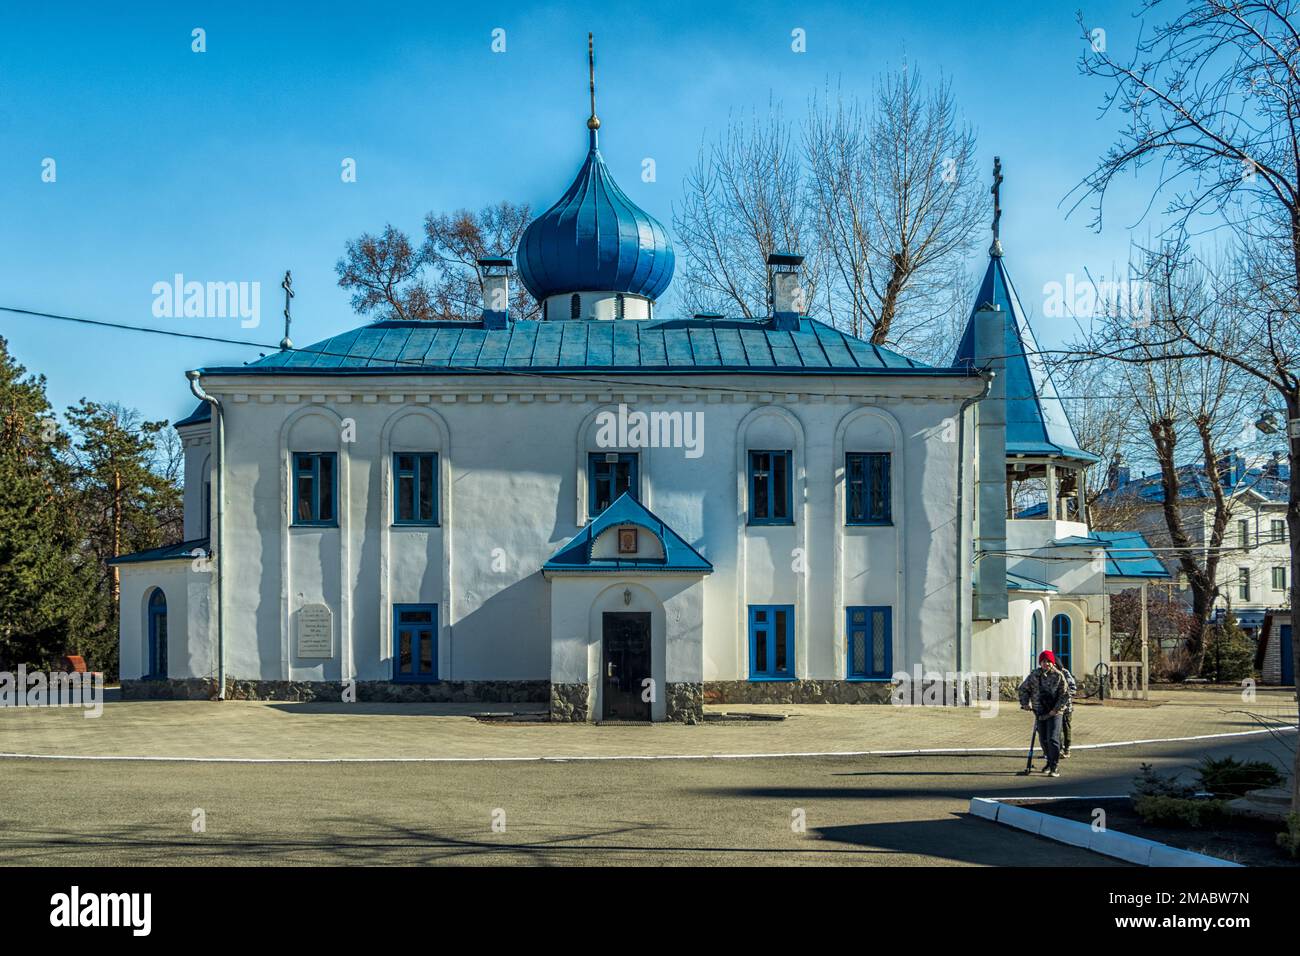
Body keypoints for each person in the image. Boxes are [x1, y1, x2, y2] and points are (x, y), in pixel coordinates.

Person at [1017, 650, 1069, 777]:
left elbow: (1065, 695)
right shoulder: (1034, 675)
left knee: (1053, 738)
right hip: (1040, 711)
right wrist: (1025, 703)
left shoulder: (1058, 676)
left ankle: (1054, 766)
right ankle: (1049, 762)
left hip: (1055, 712)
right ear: (1040, 663)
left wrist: (1055, 710)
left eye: (1048, 661)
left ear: (1052, 663)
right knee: (1043, 739)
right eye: (1043, 661)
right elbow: (1023, 689)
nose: (1046, 664)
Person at [1056, 661, 1077, 759]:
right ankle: (1058, 749)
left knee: (1066, 727)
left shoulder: (1065, 673)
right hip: (1055, 708)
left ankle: (1067, 748)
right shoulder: (1049, 674)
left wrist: (1064, 695)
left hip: (1066, 707)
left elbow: (1073, 688)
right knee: (1057, 729)